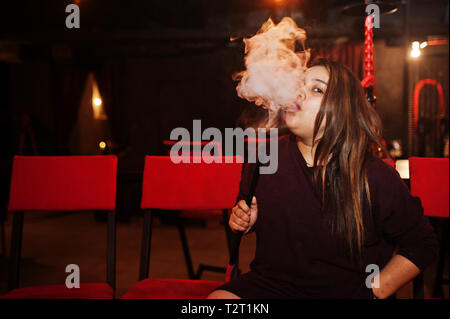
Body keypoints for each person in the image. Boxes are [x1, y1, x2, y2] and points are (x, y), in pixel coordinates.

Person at [208, 58, 439, 299]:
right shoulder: (264, 157)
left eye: (316, 89)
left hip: (345, 291)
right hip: (273, 285)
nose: (298, 92)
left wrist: (375, 290)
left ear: (342, 109)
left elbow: (422, 243)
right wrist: (245, 220)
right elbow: (243, 212)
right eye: (299, 84)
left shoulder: (375, 177)